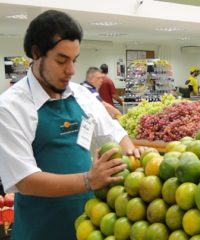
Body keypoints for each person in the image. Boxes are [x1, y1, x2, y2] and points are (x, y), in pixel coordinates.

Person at [0, 10, 142, 240]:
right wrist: (88, 180)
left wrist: (134, 152)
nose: (71, 70)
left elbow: (114, 133)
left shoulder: (81, 95)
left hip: (91, 226)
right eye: (61, 60)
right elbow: (24, 179)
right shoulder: (10, 107)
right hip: (41, 230)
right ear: (36, 53)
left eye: (74, 60)